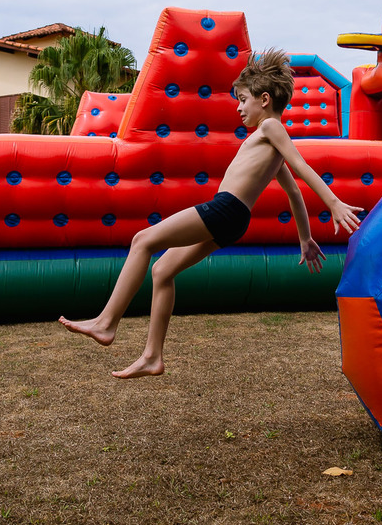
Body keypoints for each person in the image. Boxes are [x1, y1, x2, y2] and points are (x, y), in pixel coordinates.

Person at [60, 49, 364, 379]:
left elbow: (302, 167)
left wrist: (332, 202)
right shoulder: (268, 143)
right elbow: (292, 193)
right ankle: (151, 357)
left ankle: (106, 322)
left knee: (142, 240)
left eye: (243, 99)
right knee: (162, 270)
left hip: (226, 208)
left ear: (264, 99)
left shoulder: (271, 128)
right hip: (234, 220)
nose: (238, 107)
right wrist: (305, 238)